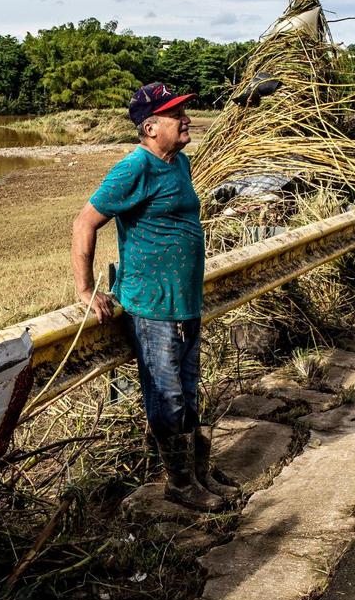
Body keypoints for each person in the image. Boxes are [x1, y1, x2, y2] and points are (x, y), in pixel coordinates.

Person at [71, 82, 239, 512]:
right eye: (175, 114)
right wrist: (87, 290)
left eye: (184, 111)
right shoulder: (135, 168)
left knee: (188, 391)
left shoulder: (178, 162)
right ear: (149, 127)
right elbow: (84, 223)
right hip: (152, 309)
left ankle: (198, 474)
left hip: (184, 304)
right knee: (167, 397)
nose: (186, 119)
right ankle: (179, 484)